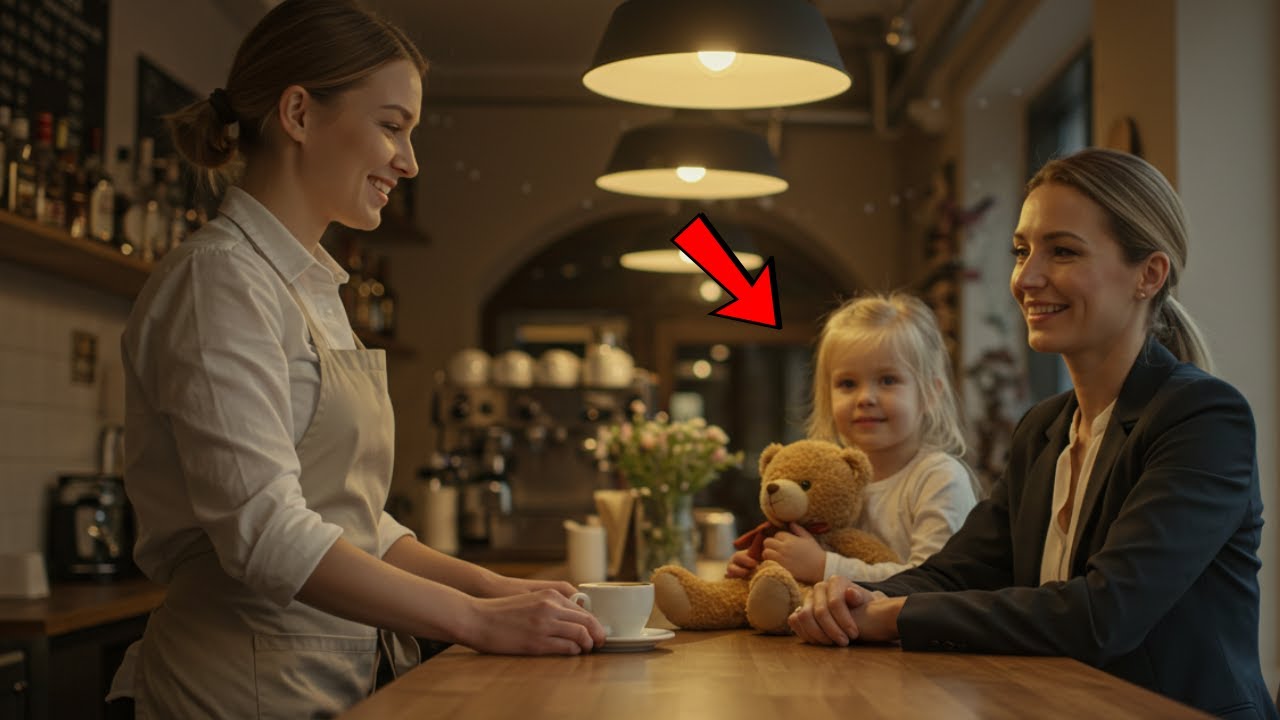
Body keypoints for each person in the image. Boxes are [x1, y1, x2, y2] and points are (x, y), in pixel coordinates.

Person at [106, 1, 603, 717]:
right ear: (299, 114)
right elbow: (266, 532)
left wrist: (496, 589)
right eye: (392, 126)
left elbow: (360, 524)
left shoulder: (310, 286)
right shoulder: (219, 281)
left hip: (330, 684)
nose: (410, 161)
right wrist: (474, 620)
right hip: (237, 693)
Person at [789, 148, 1277, 720]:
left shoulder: (1203, 417)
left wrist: (893, 615)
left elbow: (1104, 614)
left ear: (1148, 274)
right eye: (1021, 251)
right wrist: (858, 597)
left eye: (1062, 251)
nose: (1026, 277)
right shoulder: (1045, 427)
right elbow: (958, 571)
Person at [726, 292, 980, 585]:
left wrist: (824, 567)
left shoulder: (939, 478)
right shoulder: (829, 479)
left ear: (930, 394)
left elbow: (935, 583)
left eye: (887, 380)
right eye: (847, 383)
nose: (865, 398)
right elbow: (802, 559)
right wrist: (762, 564)